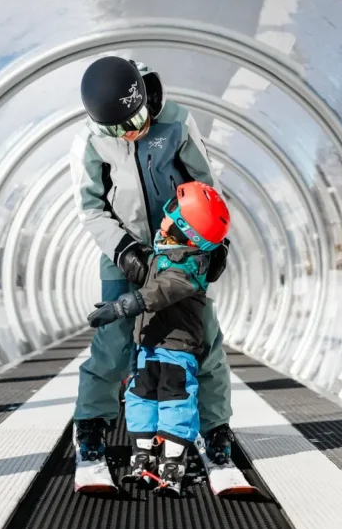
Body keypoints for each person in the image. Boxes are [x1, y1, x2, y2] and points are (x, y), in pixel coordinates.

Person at [69, 56, 234, 474]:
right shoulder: (88, 143)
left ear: (145, 97)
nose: (133, 132)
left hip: (179, 246)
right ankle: (91, 426)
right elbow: (91, 209)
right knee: (115, 341)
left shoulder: (177, 122)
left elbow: (204, 187)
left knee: (201, 339)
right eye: (119, 130)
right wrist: (125, 251)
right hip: (123, 252)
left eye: (138, 119)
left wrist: (210, 245)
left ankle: (215, 428)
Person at [88, 182, 230, 496]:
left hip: (176, 350)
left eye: (171, 214)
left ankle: (172, 465)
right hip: (148, 347)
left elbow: (159, 292)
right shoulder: (163, 255)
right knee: (139, 398)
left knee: (176, 402)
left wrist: (121, 306)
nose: (163, 218)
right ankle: (142, 459)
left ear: (185, 230)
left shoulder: (190, 268)